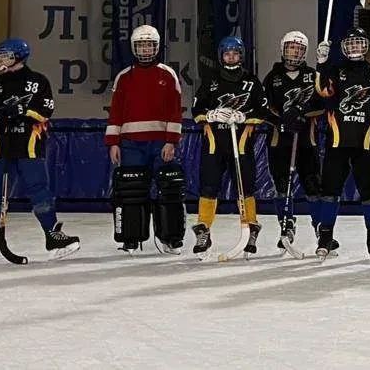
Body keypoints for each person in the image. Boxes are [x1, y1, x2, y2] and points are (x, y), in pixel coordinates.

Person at [0, 38, 80, 261]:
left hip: (29, 145)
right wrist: (0, 115)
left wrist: (22, 111)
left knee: (38, 188)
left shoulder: (38, 81)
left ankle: (52, 234)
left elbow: (46, 110)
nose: (0, 60)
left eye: (5, 56)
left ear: (19, 56)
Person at [105, 24, 185, 254]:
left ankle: (170, 238)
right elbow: (115, 112)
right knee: (131, 192)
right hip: (131, 145)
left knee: (168, 191)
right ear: (134, 48)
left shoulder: (168, 74)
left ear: (157, 47)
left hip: (160, 144)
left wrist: (171, 141)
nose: (145, 50)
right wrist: (113, 143)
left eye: (149, 45)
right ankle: (131, 238)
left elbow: (175, 111)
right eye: (141, 45)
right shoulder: (124, 77)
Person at [190, 36, 268, 257]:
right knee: (208, 186)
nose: (231, 57)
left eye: (235, 53)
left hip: (241, 146)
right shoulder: (211, 80)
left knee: (245, 187)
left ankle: (250, 226)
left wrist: (244, 116)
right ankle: (204, 229)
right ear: (221, 56)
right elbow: (196, 110)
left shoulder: (252, 81)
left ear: (241, 55)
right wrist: (211, 114)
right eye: (227, 53)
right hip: (214, 145)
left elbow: (263, 111)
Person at [313, 26, 370, 260]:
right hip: (337, 143)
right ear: (343, 47)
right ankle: (325, 238)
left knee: (369, 192)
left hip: (365, 144)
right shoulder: (335, 70)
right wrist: (321, 64)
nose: (354, 47)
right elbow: (323, 91)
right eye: (350, 43)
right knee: (329, 190)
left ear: (365, 46)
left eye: (358, 43)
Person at [262, 30, 325, 256]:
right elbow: (264, 107)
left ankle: (321, 227)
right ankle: (286, 224)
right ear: (283, 49)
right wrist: (282, 120)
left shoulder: (312, 75)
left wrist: (302, 113)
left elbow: (323, 103)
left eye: (299, 49)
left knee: (312, 184)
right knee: (281, 185)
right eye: (291, 48)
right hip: (279, 141)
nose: (295, 53)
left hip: (306, 140)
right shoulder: (272, 77)